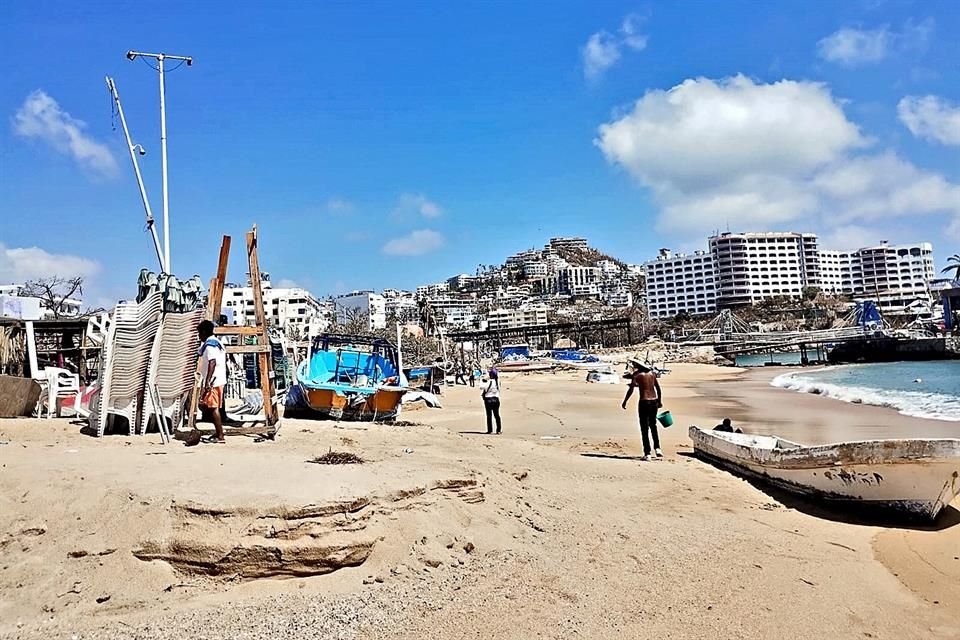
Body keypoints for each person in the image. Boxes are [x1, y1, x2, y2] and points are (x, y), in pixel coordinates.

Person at [621, 358, 662, 460]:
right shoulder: (652, 374)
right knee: (653, 425)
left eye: (634, 364)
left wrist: (625, 401)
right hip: (654, 401)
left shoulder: (637, 375)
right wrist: (659, 401)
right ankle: (657, 448)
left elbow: (631, 389)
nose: (633, 365)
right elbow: (658, 389)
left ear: (638, 365)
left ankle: (647, 453)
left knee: (644, 428)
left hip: (644, 402)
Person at [197, 320, 227, 443]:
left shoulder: (210, 345)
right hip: (219, 378)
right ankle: (218, 432)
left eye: (199, 333)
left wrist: (207, 382)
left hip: (213, 381)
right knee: (210, 407)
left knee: (212, 408)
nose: (199, 336)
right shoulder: (217, 342)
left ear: (204, 332)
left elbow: (212, 362)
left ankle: (220, 436)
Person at [481, 368, 502, 435]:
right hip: (496, 399)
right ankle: (498, 430)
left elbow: (482, 387)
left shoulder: (488, 381)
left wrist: (483, 380)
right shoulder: (498, 382)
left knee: (489, 415)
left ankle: (490, 430)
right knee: (497, 415)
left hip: (488, 399)